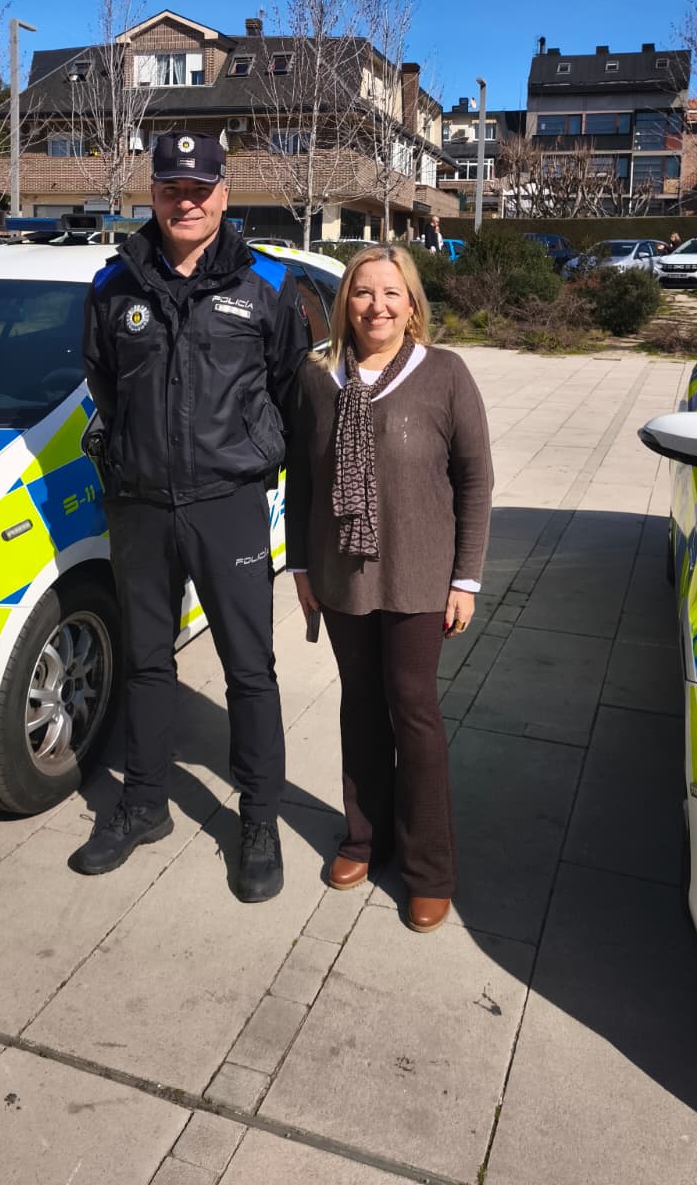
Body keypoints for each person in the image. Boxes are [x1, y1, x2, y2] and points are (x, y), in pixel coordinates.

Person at [74, 132, 310, 900]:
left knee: (249, 668)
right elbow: (104, 382)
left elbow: (290, 389)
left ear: (224, 194)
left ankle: (260, 818)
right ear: (152, 192)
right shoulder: (114, 285)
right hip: (141, 506)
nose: (187, 201)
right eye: (173, 187)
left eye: (200, 188)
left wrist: (253, 454)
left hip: (227, 505)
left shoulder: (266, 284)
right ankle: (144, 804)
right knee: (147, 662)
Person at [285, 245, 492, 933]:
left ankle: (430, 869)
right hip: (341, 573)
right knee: (361, 705)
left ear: (411, 305)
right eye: (363, 292)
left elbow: (474, 479)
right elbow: (302, 478)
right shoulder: (318, 377)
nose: (377, 306)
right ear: (345, 301)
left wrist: (466, 577)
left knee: (414, 710)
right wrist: (301, 567)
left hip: (419, 575)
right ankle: (365, 839)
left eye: (391, 293)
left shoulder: (445, 374)